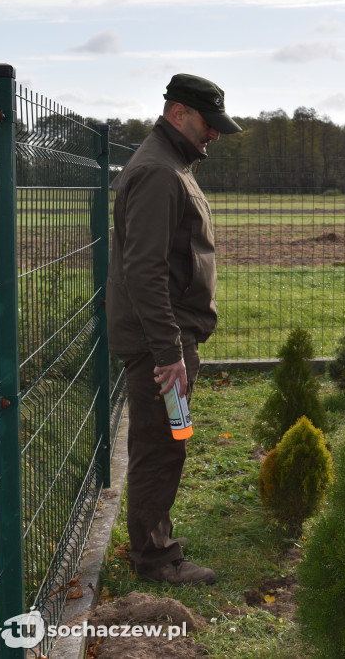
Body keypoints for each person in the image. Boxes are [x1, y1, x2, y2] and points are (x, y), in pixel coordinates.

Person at [107, 73, 243, 585]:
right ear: (179, 112)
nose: (212, 136)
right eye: (209, 124)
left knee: (169, 438)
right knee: (162, 443)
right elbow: (144, 270)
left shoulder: (171, 164)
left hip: (167, 337)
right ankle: (154, 557)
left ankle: (151, 539)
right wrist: (169, 352)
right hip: (158, 342)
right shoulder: (160, 172)